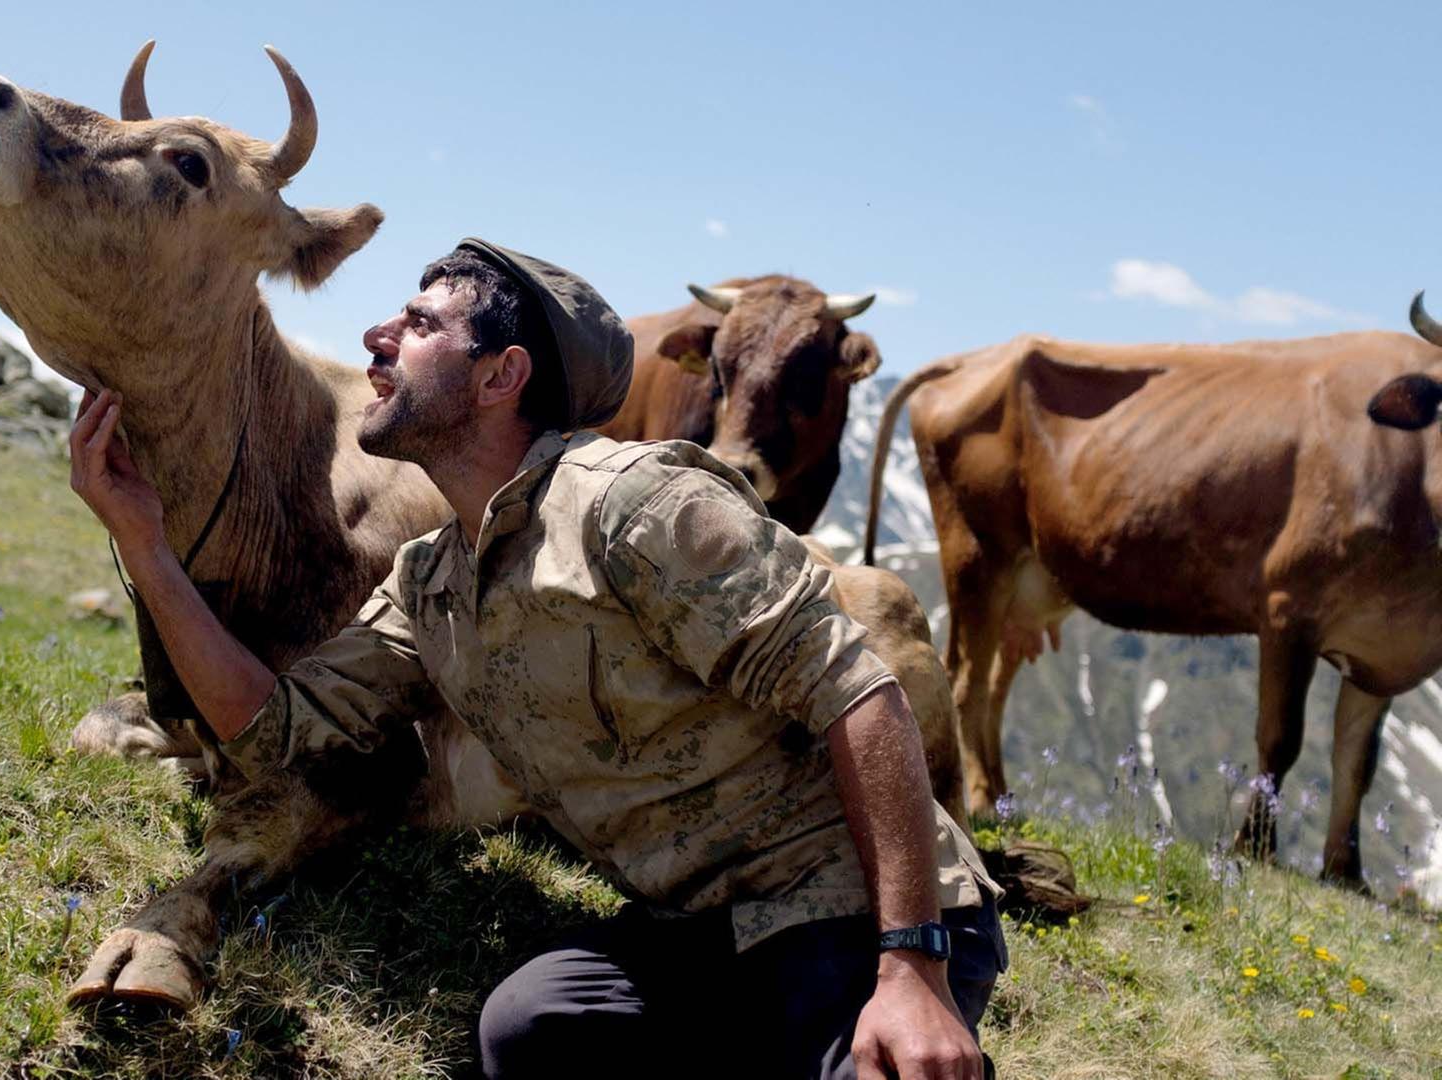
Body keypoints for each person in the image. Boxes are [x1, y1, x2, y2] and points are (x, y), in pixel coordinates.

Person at [69, 239, 1005, 1079]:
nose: (376, 334)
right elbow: (270, 731)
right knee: (531, 1025)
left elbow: (862, 695)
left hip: (848, 908)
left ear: (500, 376)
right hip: (695, 931)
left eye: (420, 322)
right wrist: (146, 548)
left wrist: (912, 961)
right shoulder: (431, 581)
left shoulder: (639, 505)